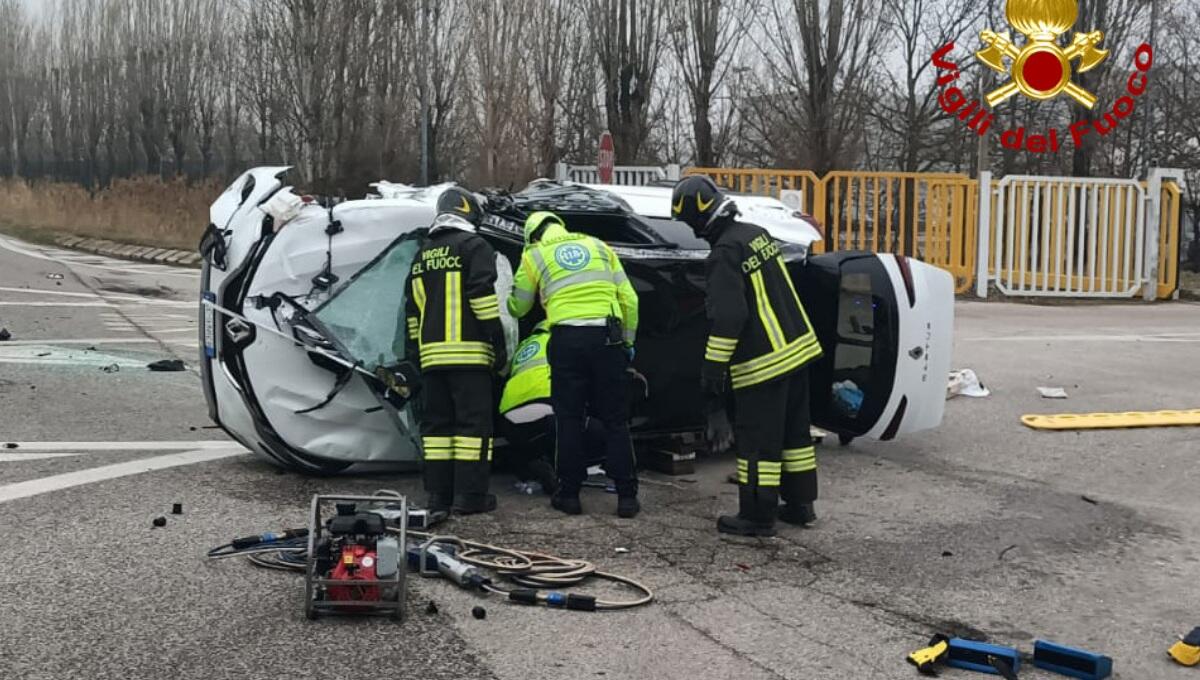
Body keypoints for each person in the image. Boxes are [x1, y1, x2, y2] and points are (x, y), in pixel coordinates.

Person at [671, 175, 823, 537]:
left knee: (758, 444)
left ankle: (757, 516)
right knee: (795, 437)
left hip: (763, 364)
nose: (692, 232)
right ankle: (801, 505)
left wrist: (712, 371)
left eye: (690, 223)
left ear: (701, 217)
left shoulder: (723, 253)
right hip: (797, 352)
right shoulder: (756, 234)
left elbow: (729, 317)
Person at [507, 211, 641, 518]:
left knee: (568, 419)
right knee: (616, 420)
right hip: (607, 339)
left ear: (533, 236)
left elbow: (519, 306)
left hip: (566, 339)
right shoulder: (599, 247)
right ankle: (627, 499)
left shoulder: (535, 254)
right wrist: (628, 343)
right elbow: (630, 300)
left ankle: (569, 496)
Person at [405, 186, 507, 515]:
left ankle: (439, 496)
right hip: (469, 355)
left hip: (431, 358)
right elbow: (481, 296)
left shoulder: (423, 253)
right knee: (473, 428)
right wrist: (497, 339)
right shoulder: (474, 245)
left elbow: (412, 311)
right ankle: (471, 497)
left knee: (436, 430)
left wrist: (414, 357)